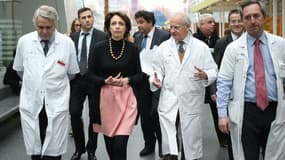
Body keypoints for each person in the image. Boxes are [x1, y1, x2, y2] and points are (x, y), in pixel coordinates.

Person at [216, 1, 285, 160]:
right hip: (246, 112)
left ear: (264, 17)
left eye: (256, 16)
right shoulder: (233, 49)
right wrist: (222, 115)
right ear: (243, 21)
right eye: (247, 17)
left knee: (276, 154)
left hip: (275, 110)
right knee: (248, 156)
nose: (252, 20)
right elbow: (224, 82)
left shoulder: (280, 44)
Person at [13, 5, 79, 160]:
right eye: (40, 27)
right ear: (35, 24)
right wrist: (37, 84)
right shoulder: (24, 41)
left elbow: (72, 73)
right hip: (32, 102)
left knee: (54, 151)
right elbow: (19, 70)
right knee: (35, 148)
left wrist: (51, 85)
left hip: (56, 102)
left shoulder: (67, 43)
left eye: (48, 27)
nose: (44, 31)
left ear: (55, 23)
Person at [150, 12, 217, 160]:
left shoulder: (201, 47)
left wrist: (206, 75)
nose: (172, 30)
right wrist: (156, 79)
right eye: (171, 27)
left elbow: (213, 70)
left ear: (187, 27)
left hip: (191, 98)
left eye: (176, 27)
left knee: (190, 138)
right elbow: (157, 69)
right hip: (169, 97)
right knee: (169, 137)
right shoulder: (164, 47)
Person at [87, 11, 143, 160]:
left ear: (126, 28)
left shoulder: (133, 49)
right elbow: (90, 74)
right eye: (114, 23)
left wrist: (127, 80)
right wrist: (104, 81)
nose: (117, 27)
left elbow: (140, 75)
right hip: (105, 101)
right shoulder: (99, 48)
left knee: (120, 143)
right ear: (108, 27)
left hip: (127, 99)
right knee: (111, 145)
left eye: (121, 24)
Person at [69, 7, 108, 160]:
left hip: (95, 81)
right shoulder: (72, 37)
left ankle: (91, 149)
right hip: (77, 80)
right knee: (74, 113)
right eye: (84, 17)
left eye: (89, 17)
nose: (87, 20)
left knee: (95, 116)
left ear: (93, 18)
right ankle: (79, 148)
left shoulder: (103, 36)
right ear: (79, 20)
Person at [133, 10, 170, 157]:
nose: (139, 26)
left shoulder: (164, 36)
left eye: (141, 22)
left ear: (150, 22)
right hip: (141, 83)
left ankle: (163, 145)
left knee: (156, 113)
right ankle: (149, 143)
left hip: (158, 82)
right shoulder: (137, 37)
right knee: (144, 115)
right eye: (138, 23)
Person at [213, 8, 244, 160]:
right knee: (233, 134)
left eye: (239, 20)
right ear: (229, 23)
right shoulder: (222, 43)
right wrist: (215, 92)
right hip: (230, 95)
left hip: (248, 96)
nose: (237, 24)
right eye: (233, 21)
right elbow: (216, 68)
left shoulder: (250, 40)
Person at [193, 13, 226, 148]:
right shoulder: (193, 40)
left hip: (213, 80)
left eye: (213, 21)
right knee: (193, 112)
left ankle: (223, 138)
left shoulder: (217, 40)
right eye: (210, 22)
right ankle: (190, 139)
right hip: (196, 79)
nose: (213, 24)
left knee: (217, 108)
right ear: (201, 25)